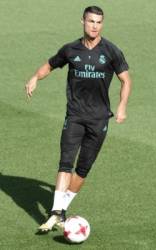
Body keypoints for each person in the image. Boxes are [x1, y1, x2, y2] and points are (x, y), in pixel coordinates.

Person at [25, 6, 131, 232]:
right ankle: (55, 213)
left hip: (99, 119)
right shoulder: (71, 49)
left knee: (83, 168)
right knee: (65, 162)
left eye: (99, 22)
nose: (95, 26)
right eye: (91, 21)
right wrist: (35, 77)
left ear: (102, 24)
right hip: (74, 115)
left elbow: (126, 80)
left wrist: (122, 106)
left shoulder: (111, 51)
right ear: (82, 21)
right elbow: (50, 65)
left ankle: (61, 210)